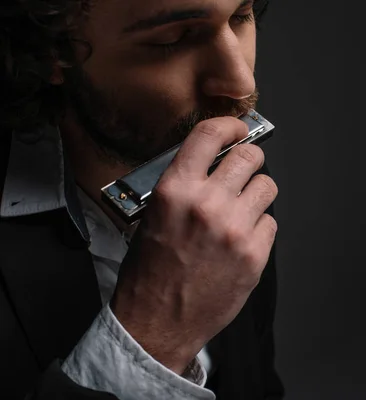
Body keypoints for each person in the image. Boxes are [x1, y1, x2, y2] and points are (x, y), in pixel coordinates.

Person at [0, 0, 285, 399]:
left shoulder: (228, 186)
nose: (241, 83)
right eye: (174, 38)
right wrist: (152, 339)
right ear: (52, 52)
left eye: (241, 16)